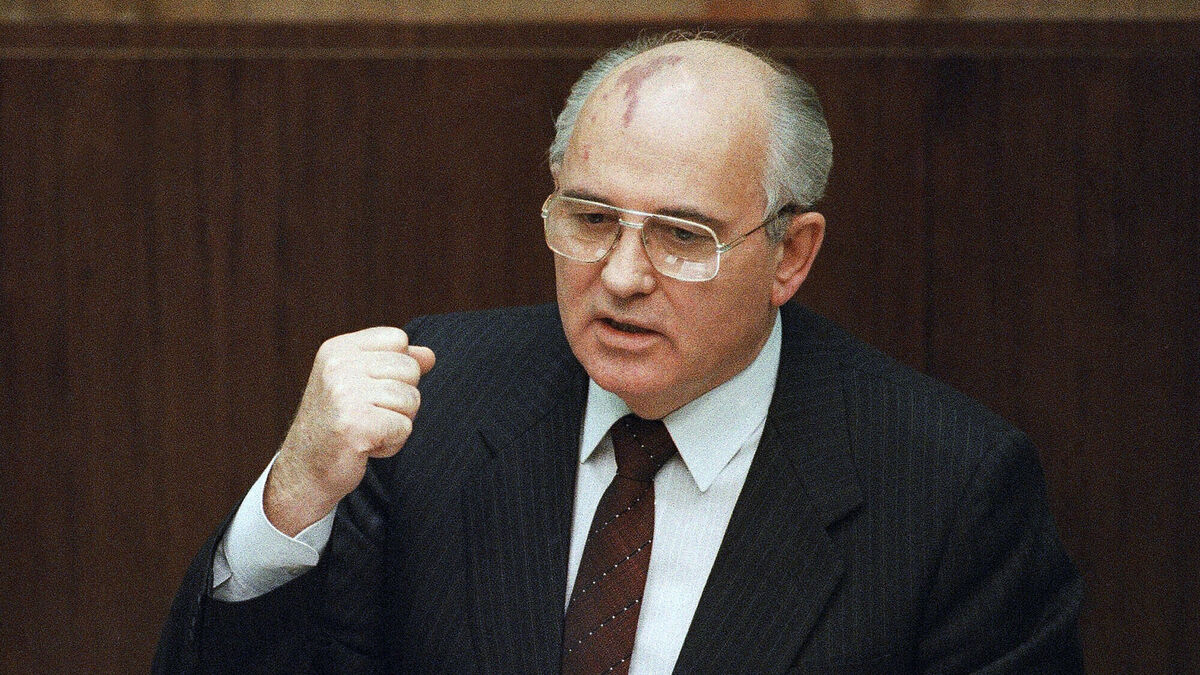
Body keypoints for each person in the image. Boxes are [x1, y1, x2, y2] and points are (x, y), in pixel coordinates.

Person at [155, 32, 1084, 673]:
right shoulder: (434, 407)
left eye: (681, 235)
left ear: (789, 256)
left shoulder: (948, 488)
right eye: (592, 219)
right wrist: (292, 499)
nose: (623, 276)